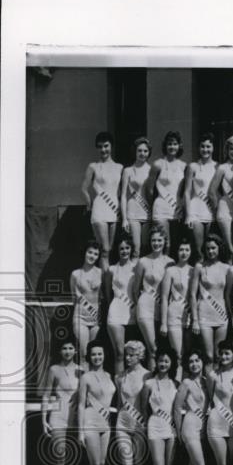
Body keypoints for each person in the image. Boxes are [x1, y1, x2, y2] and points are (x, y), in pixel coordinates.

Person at [41, 340, 82, 465]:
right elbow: (46, 394)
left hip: (75, 421)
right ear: (60, 350)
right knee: (61, 460)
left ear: (75, 350)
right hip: (57, 418)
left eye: (71, 348)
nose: (67, 351)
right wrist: (43, 419)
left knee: (70, 464)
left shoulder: (81, 370)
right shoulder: (54, 369)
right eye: (64, 348)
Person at [77, 342, 116, 465]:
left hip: (106, 425)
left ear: (104, 355)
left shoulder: (108, 375)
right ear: (89, 356)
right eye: (93, 354)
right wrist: (81, 431)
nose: (97, 357)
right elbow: (80, 404)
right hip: (91, 423)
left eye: (100, 354)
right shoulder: (85, 377)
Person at [139, 348, 178, 465]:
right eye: (161, 361)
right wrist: (148, 425)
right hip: (155, 426)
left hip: (170, 428)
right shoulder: (148, 384)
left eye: (166, 361)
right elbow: (144, 408)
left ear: (171, 364)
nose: (163, 364)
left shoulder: (175, 384)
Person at [173, 349, 209, 465]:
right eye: (191, 362)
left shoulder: (205, 382)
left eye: (197, 360)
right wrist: (179, 433)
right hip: (189, 426)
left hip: (202, 428)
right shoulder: (186, 383)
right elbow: (176, 407)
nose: (194, 364)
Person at [114, 340, 147, 465]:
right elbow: (119, 404)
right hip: (122, 423)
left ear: (140, 355)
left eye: (132, 354)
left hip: (140, 424)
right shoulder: (119, 377)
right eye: (126, 354)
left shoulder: (148, 375)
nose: (127, 357)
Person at [81, 131, 123, 269]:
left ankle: (104, 284)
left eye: (106, 146)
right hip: (99, 210)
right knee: (104, 250)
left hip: (114, 210)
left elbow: (121, 192)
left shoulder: (119, 167)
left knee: (109, 251)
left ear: (111, 146)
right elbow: (84, 188)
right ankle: (105, 289)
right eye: (99, 147)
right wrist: (89, 205)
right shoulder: (93, 166)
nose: (103, 150)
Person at [133, 228, 174, 364]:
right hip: (146, 306)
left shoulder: (170, 262)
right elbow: (135, 287)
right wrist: (137, 304)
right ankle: (152, 381)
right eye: (153, 240)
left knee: (163, 347)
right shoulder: (143, 261)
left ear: (164, 242)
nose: (156, 243)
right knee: (152, 348)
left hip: (163, 308)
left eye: (159, 240)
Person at [190, 235, 230, 362]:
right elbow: (192, 294)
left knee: (219, 356)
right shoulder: (199, 267)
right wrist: (195, 320)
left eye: (213, 248)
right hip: (204, 315)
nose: (210, 251)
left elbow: (228, 295)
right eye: (207, 249)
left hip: (221, 314)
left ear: (219, 248)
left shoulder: (226, 268)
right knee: (208, 356)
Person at [159, 238, 193, 377]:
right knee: (178, 353)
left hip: (190, 315)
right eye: (181, 250)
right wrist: (163, 323)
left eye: (187, 250)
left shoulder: (194, 270)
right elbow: (164, 298)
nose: (184, 253)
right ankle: (177, 383)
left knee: (189, 353)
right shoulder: (170, 271)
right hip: (174, 315)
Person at [105, 236, 138, 375]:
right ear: (117, 251)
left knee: (134, 355)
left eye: (127, 248)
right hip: (116, 312)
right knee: (119, 353)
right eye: (121, 249)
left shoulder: (137, 267)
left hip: (133, 313)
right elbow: (107, 293)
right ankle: (120, 391)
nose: (124, 251)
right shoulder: (112, 269)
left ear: (131, 249)